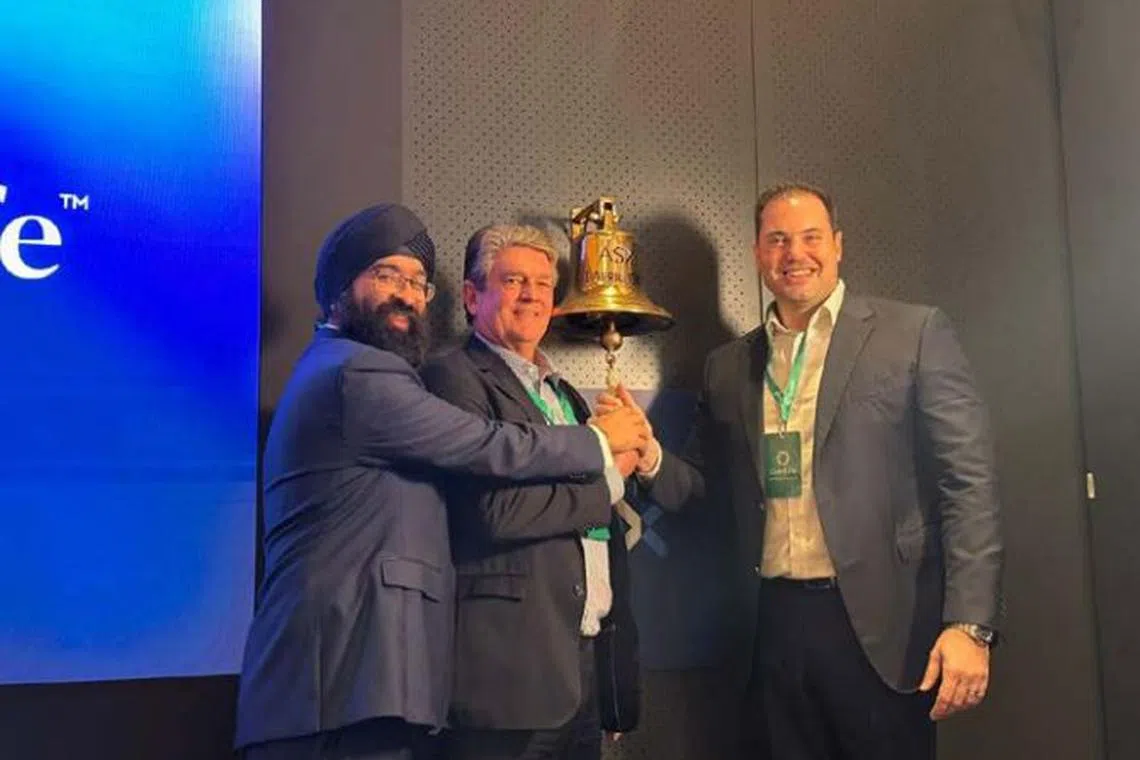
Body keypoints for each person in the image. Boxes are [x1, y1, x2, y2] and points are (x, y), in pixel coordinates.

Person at [601, 183, 1004, 759]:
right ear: (758, 253)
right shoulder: (729, 365)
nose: (795, 253)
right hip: (773, 627)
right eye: (778, 240)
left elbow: (971, 483)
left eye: (811, 237)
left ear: (838, 246)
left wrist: (970, 625)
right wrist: (651, 456)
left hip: (884, 627)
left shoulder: (911, 335)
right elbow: (708, 490)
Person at [234, 205, 649, 760]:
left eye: (417, 282)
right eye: (386, 275)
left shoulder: (349, 368)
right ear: (337, 290)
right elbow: (486, 445)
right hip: (335, 684)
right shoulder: (358, 372)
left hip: (359, 687)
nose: (406, 294)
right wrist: (600, 443)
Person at [419, 225, 640, 760]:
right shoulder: (452, 379)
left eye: (544, 284)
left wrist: (639, 456)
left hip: (580, 669)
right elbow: (492, 512)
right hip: (508, 683)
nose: (532, 295)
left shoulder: (564, 395)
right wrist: (612, 478)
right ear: (472, 297)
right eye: (513, 280)